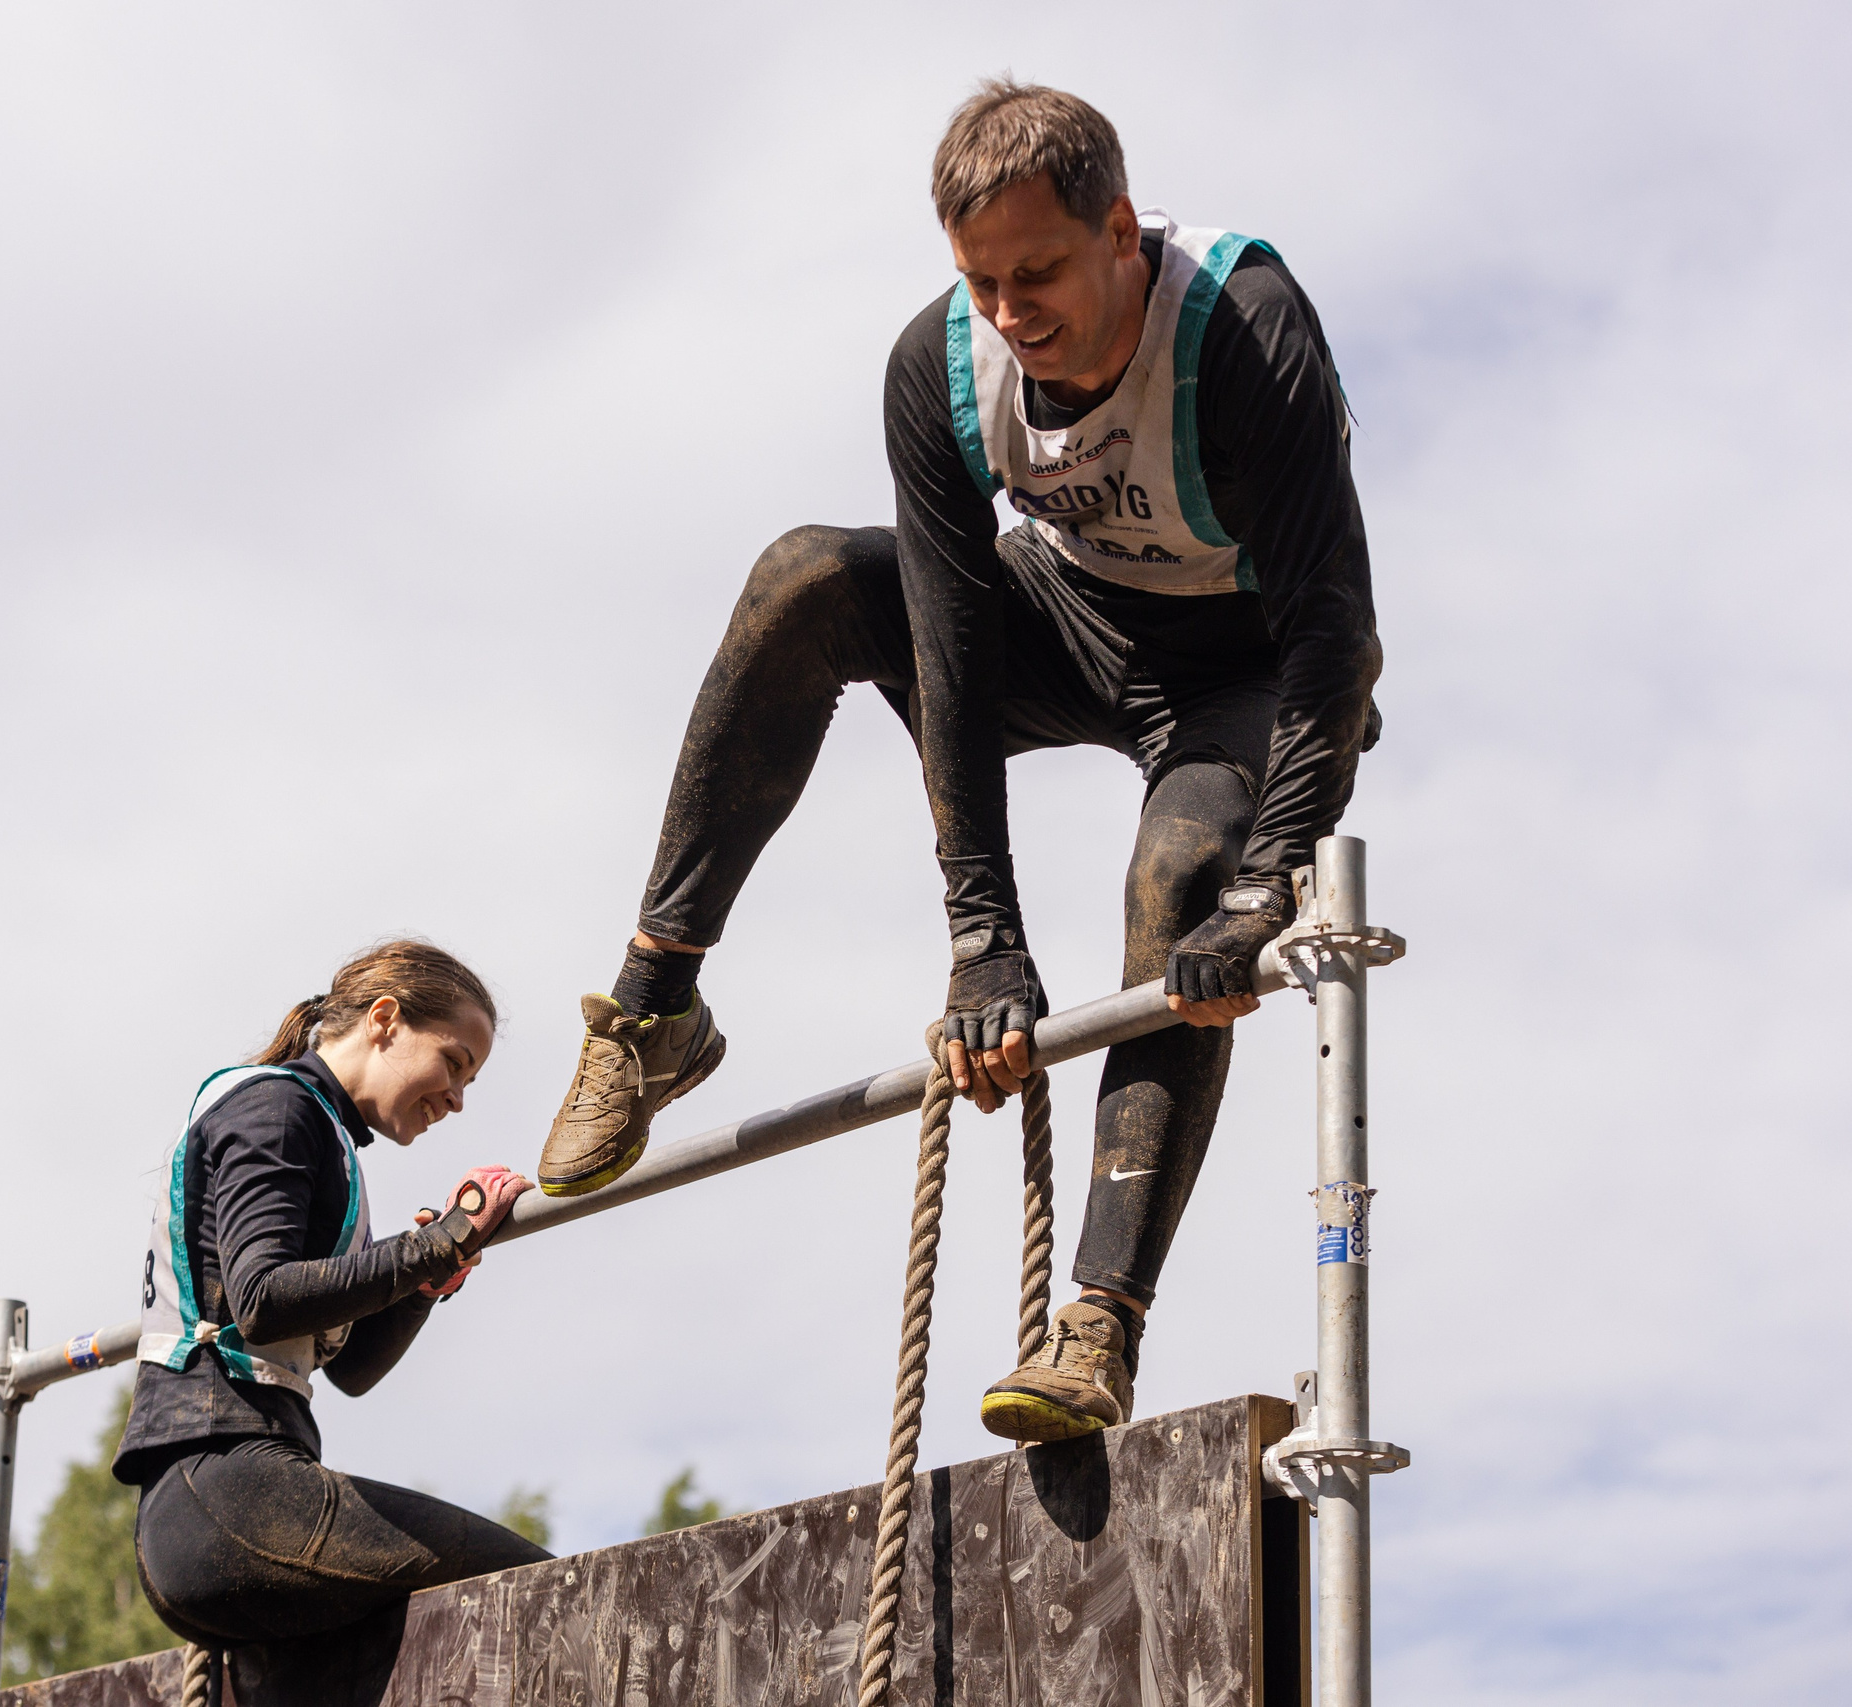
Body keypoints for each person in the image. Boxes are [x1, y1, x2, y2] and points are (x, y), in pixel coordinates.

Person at [538, 82, 1382, 1443]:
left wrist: (1266, 877)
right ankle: (654, 1012)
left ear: (1119, 232)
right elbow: (949, 650)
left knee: (1182, 873)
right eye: (981, 281)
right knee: (805, 578)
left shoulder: (1242, 327)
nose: (1010, 312)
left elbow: (1336, 630)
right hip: (1062, 625)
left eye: (1037, 273)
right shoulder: (937, 364)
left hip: (1244, 671)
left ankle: (1098, 1321)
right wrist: (984, 942)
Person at [115, 939, 551, 1653]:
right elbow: (262, 1299)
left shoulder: (318, 1131)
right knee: (547, 1589)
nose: (457, 1098)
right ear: (384, 1020)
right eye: (453, 1062)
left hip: (222, 1510)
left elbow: (350, 1371)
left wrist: (423, 1284)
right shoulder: (280, 1107)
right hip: (223, 1488)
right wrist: (437, 1243)